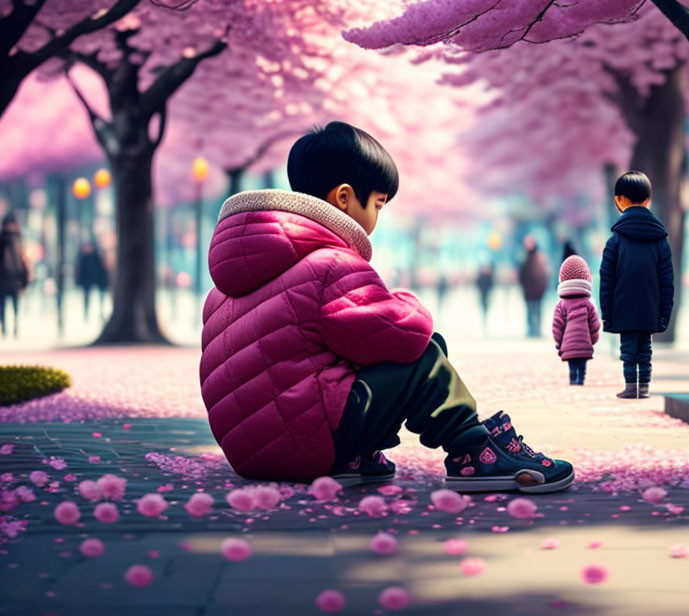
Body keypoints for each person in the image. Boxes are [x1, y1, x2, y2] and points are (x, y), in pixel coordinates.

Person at [200, 121, 574, 494]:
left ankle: (355, 458)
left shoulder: (223, 287)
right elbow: (404, 336)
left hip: (251, 452)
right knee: (423, 355)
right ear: (344, 198)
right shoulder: (329, 264)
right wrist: (408, 301)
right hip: (307, 444)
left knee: (354, 351)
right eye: (378, 204)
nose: (378, 218)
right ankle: (472, 450)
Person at [599, 171, 674, 399]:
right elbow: (667, 280)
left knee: (628, 350)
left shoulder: (615, 241)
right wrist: (664, 312)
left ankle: (631, 386)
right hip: (650, 306)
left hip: (624, 306)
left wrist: (607, 312)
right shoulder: (661, 241)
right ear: (648, 199)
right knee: (645, 349)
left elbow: (607, 280)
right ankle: (644, 388)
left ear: (620, 200)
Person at [552, 255, 600, 385]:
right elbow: (595, 325)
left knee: (572, 364)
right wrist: (592, 340)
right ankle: (581, 379)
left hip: (569, 346)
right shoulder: (588, 305)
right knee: (582, 364)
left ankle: (573, 379)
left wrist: (559, 343)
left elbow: (557, 327)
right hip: (584, 344)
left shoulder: (562, 305)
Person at [0, 213, 29, 338]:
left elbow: (22, 260)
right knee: (3, 306)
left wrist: (24, 278)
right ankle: (5, 328)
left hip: (14, 278)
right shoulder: (2, 240)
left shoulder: (19, 239)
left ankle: (15, 328)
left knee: (15, 305)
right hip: (3, 278)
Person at [518, 235, 549, 337]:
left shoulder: (540, 257)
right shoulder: (524, 257)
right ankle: (531, 330)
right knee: (530, 309)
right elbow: (521, 273)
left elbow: (545, 274)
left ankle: (537, 330)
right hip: (528, 290)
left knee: (537, 309)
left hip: (538, 290)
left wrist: (543, 286)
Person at [75, 241, 109, 322]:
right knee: (86, 298)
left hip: (96, 279)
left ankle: (100, 313)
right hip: (87, 281)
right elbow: (80, 271)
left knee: (100, 297)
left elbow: (100, 269)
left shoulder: (95, 257)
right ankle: (86, 314)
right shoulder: (83, 257)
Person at [474, 263, 494, 333]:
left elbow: (491, 285)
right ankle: (483, 318)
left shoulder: (489, 277)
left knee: (486, 307)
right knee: (483, 306)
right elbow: (477, 284)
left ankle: (485, 318)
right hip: (482, 295)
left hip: (487, 295)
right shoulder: (481, 277)